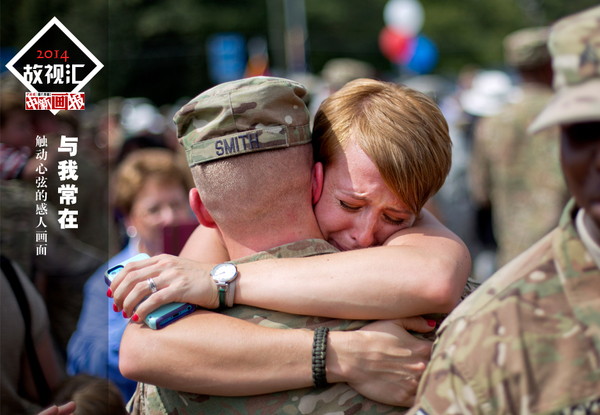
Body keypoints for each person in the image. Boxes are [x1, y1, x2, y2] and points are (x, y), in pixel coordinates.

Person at [113, 77, 474, 412]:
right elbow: (143, 347)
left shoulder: (422, 248)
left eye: (396, 218)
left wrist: (219, 281)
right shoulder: (216, 236)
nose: (364, 236)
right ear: (313, 176)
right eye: (349, 204)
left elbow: (434, 278)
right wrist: (342, 354)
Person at [408, 5, 600, 414]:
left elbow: (479, 193)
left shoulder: (496, 123)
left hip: (513, 247)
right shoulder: (489, 341)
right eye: (585, 132)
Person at [66, 148, 193, 401]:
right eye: (154, 209)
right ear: (128, 218)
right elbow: (86, 361)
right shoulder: (105, 281)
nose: (169, 218)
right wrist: (139, 327)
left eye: (177, 205)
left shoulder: (209, 261)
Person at [469, 26, 570, 269]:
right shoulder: (574, 119)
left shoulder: (492, 123)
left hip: (514, 262)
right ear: (552, 64)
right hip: (569, 256)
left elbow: (480, 193)